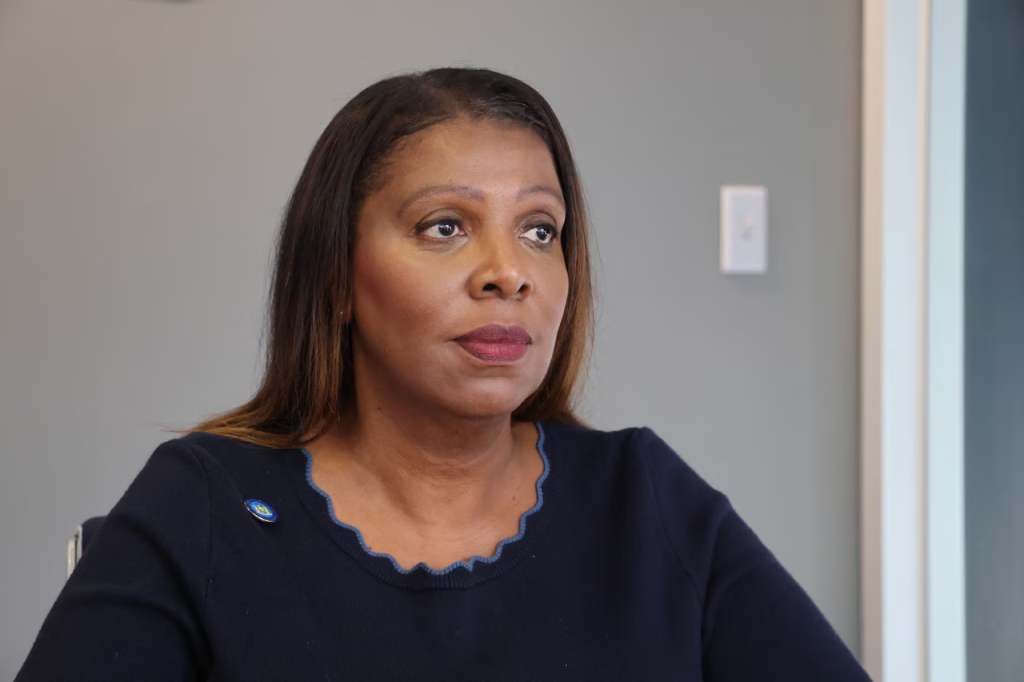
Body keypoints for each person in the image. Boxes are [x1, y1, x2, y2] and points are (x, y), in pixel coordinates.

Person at [16, 67, 871, 681]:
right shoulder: (204, 503)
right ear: (336, 277)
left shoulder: (644, 499)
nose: (510, 272)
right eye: (444, 227)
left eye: (540, 230)